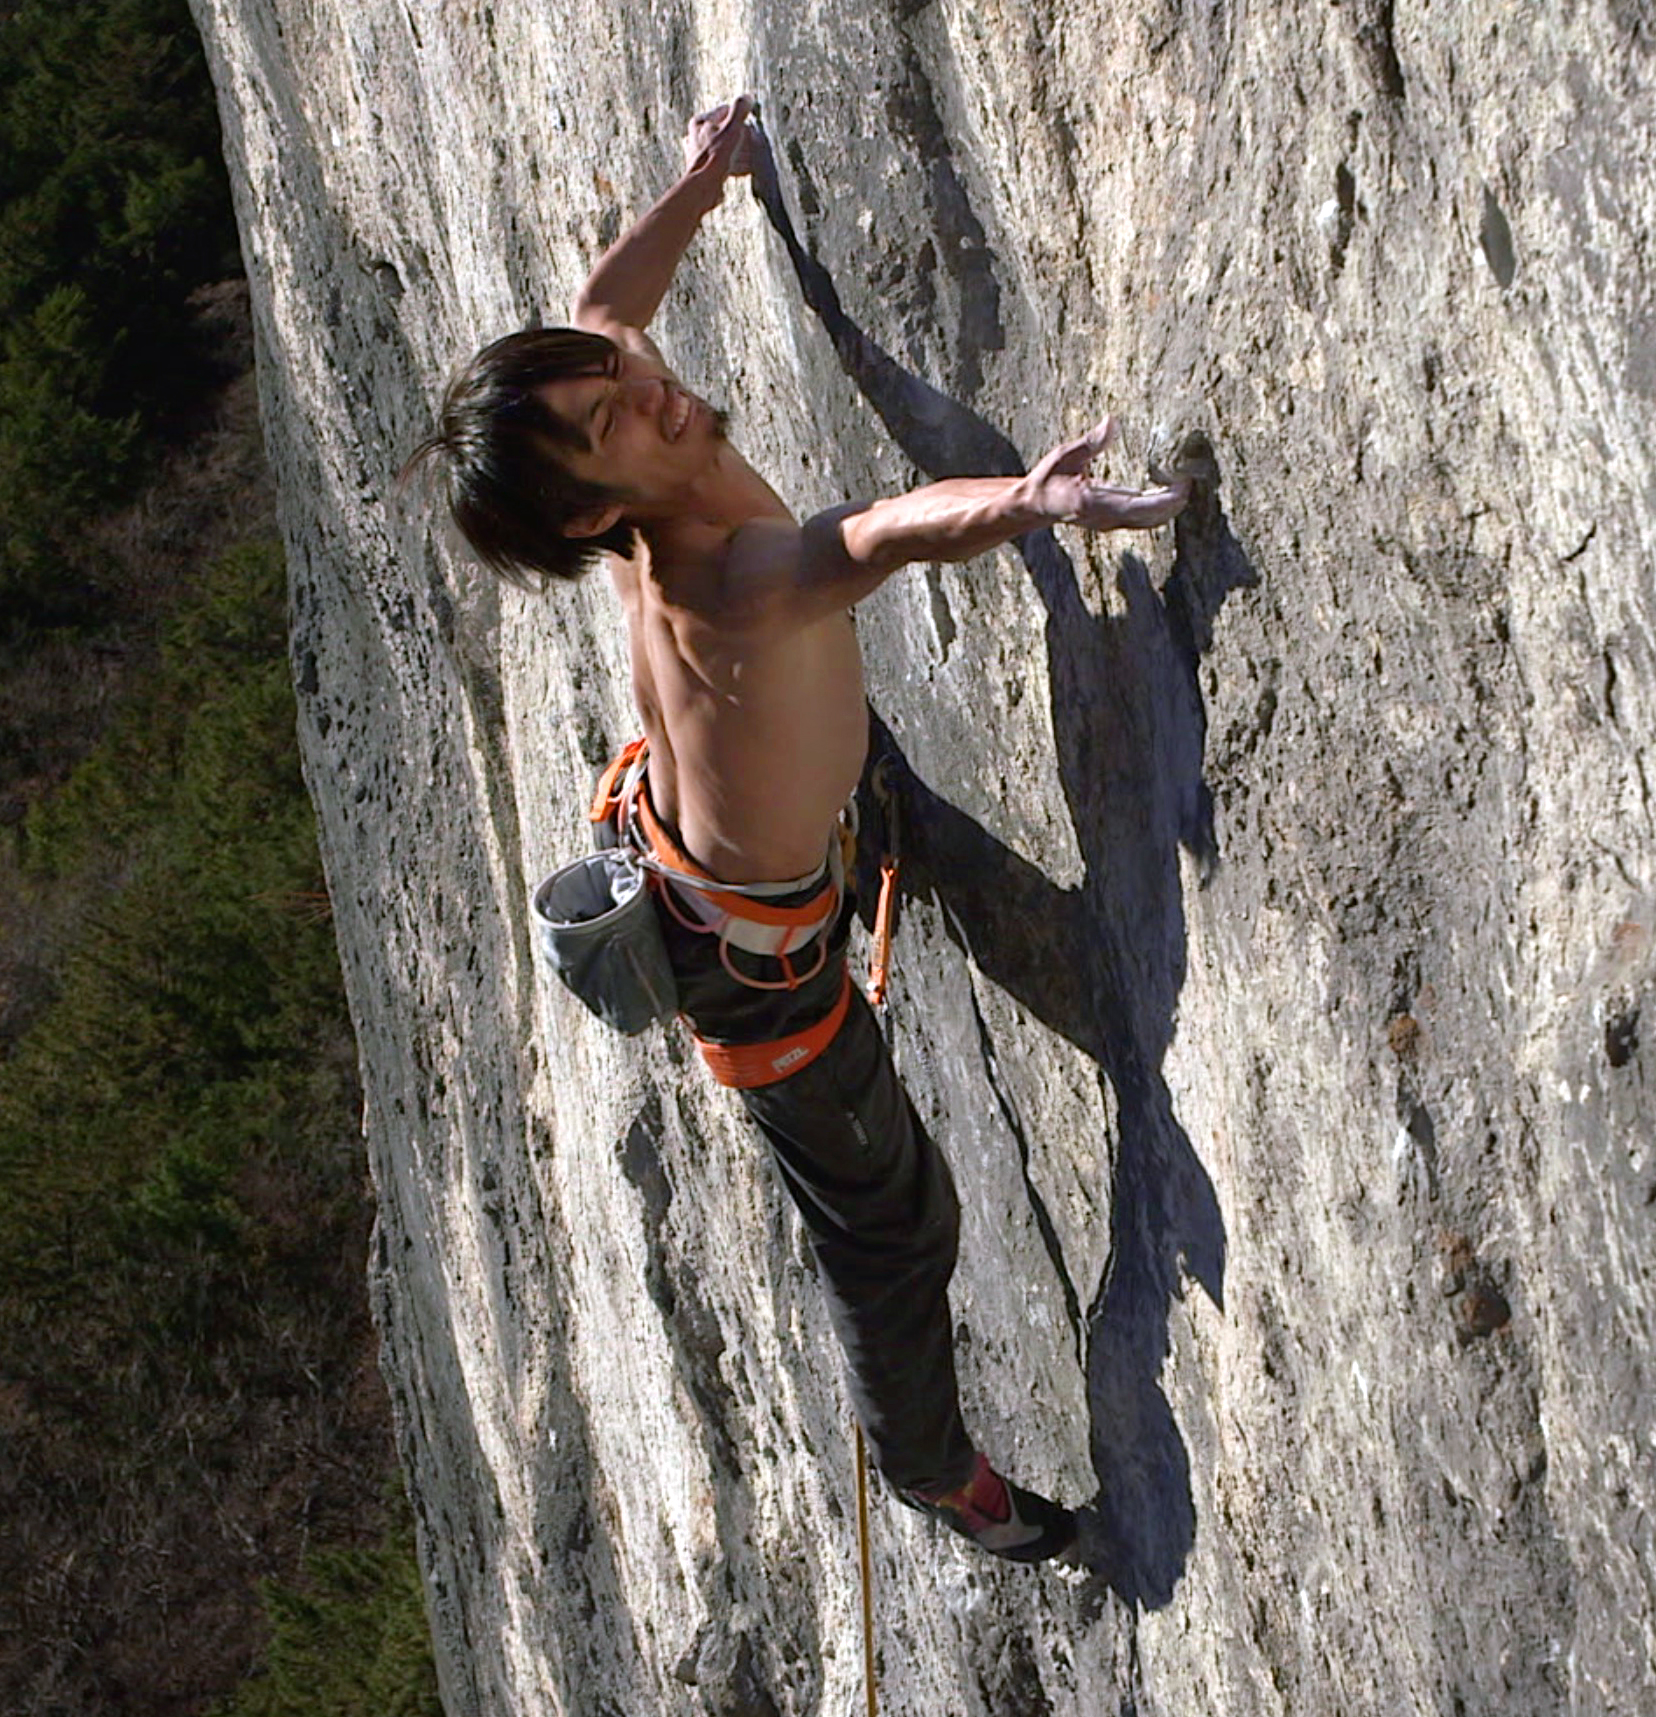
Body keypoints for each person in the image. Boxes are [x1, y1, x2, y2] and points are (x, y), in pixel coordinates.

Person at [404, 94, 1186, 1563]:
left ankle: (853, 809)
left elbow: (602, 303)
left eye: (610, 382)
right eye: (603, 419)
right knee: (900, 1227)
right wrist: (1030, 500)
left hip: (723, 835)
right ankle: (930, 1467)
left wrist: (700, 183)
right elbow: (882, 532)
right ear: (590, 520)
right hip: (769, 982)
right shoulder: (726, 581)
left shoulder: (631, 412)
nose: (641, 390)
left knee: (822, 757)